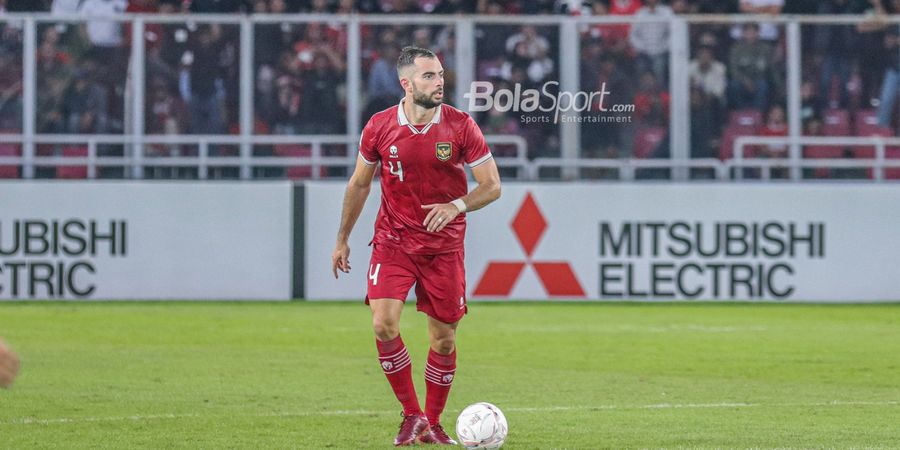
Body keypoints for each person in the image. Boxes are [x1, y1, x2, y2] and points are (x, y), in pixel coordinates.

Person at [331, 46, 501, 446]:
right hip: (393, 241)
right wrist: (342, 239)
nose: (439, 82)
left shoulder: (461, 126)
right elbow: (359, 184)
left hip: (444, 248)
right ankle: (412, 414)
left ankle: (434, 423)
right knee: (382, 322)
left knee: (443, 338)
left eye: (440, 74)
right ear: (406, 84)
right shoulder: (379, 126)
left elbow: (492, 185)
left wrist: (456, 205)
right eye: (429, 76)